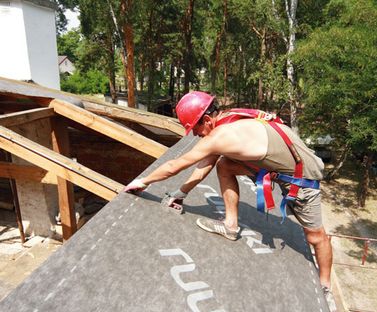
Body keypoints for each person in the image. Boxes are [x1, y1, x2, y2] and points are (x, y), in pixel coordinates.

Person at [124, 91, 332, 292]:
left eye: (195, 129)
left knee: (315, 236)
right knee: (225, 166)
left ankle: (325, 284)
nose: (196, 135)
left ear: (206, 119)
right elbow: (208, 163)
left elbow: (175, 166)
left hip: (303, 177)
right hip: (284, 161)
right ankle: (231, 225)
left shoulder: (220, 135)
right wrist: (181, 193)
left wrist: (143, 181)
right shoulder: (230, 118)